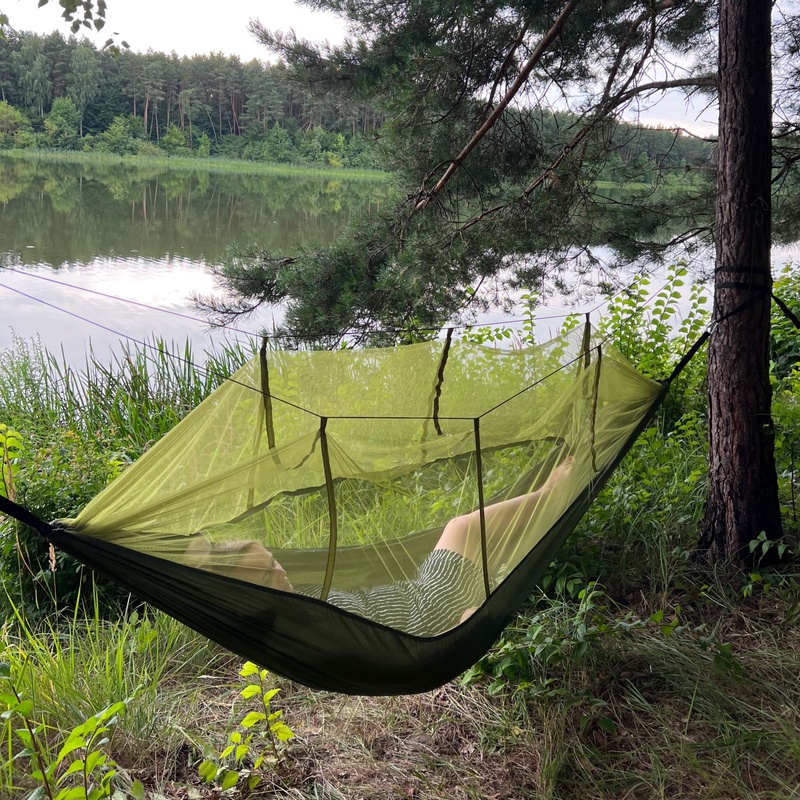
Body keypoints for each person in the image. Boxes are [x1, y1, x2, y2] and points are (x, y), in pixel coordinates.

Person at [186, 456, 574, 636]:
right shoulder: (297, 624)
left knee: (478, 540)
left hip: (416, 599)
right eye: (269, 574)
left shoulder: (288, 608)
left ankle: (537, 517)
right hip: (428, 605)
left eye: (274, 561)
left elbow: (197, 556)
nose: (282, 571)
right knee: (462, 527)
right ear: (246, 596)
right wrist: (458, 629)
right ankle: (549, 495)